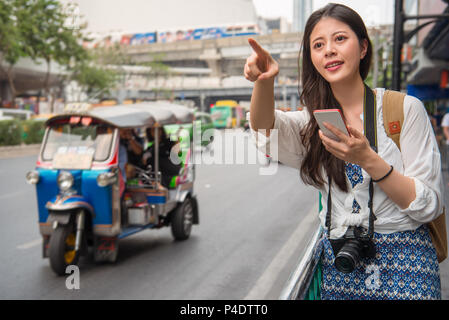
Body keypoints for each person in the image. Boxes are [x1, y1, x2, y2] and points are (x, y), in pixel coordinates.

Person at [245, 3, 443, 300]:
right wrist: (264, 82)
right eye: (318, 44)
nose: (329, 50)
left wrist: (368, 160)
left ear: (363, 48)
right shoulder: (314, 123)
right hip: (342, 264)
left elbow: (429, 205)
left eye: (340, 39)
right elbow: (265, 129)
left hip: (407, 263)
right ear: (312, 59)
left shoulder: (403, 109)